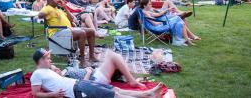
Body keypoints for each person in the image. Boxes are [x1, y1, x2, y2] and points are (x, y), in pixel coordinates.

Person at [30, 48, 163, 98]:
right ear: (41, 60)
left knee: (115, 89)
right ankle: (147, 95)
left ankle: (147, 94)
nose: (50, 59)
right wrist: (53, 94)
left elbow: (57, 81)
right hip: (78, 88)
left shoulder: (47, 70)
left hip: (80, 84)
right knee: (115, 95)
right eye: (47, 58)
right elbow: (35, 93)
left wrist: (56, 70)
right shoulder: (37, 74)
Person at [38, 0, 98, 66]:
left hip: (67, 29)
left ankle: (91, 56)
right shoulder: (48, 8)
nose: (58, 0)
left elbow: (70, 19)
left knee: (91, 31)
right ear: (50, 1)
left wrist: (65, 8)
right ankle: (82, 59)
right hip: (57, 32)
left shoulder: (59, 9)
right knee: (81, 33)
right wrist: (45, 14)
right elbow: (40, 15)